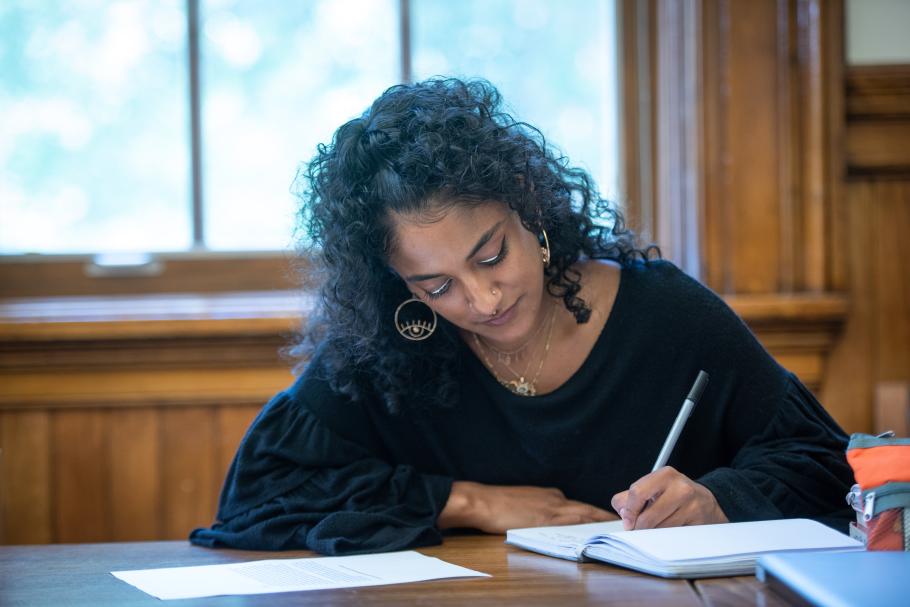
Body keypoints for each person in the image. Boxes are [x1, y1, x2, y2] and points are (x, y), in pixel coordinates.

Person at [190, 78, 854, 555]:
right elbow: (259, 493)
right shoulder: (394, 344)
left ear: (527, 208)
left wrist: (720, 499)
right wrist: (470, 501)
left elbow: (825, 460)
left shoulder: (665, 315)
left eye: (491, 254)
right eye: (437, 283)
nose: (482, 301)